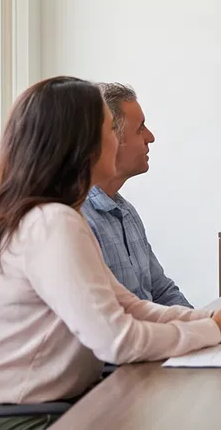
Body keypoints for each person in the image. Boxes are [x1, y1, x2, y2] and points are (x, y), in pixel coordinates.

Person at [0, 77, 221, 428]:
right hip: (16, 418)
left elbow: (131, 306)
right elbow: (118, 341)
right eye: (109, 128)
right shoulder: (52, 223)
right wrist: (214, 330)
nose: (118, 137)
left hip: (49, 405)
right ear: (81, 144)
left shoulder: (56, 216)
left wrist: (210, 319)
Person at [82, 83, 189, 307]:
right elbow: (118, 323)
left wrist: (210, 324)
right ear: (109, 138)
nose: (150, 137)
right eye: (141, 128)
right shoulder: (78, 220)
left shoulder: (126, 212)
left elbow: (161, 292)